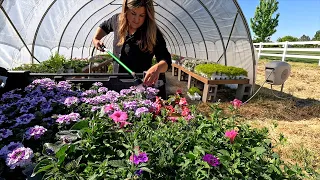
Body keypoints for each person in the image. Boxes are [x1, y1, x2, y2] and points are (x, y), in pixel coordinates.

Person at [92, 0, 171, 86]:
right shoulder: (117, 20)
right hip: (117, 81)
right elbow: (104, 27)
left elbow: (166, 60)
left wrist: (158, 68)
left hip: (140, 85)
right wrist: (96, 39)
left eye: (142, 15)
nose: (137, 20)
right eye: (133, 13)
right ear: (126, 9)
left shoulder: (152, 32)